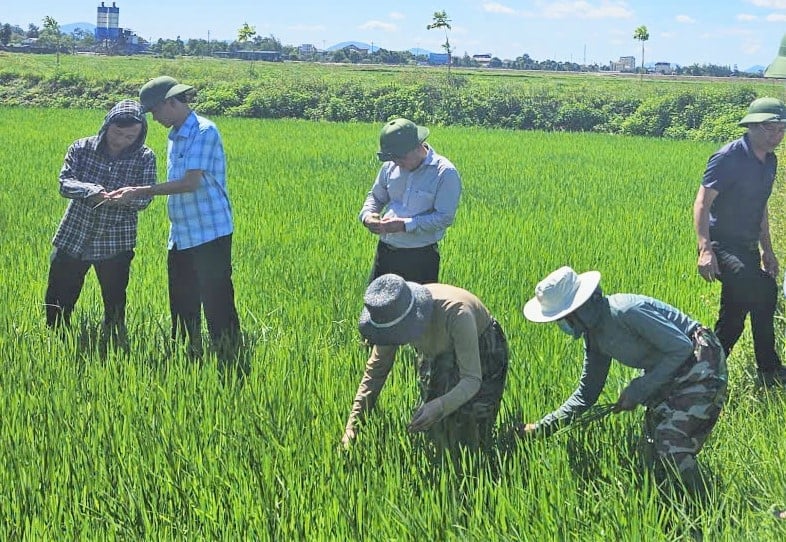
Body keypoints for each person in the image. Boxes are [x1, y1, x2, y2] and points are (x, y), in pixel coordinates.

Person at [518, 266, 727, 492]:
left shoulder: (626, 311)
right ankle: (670, 498)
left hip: (701, 362)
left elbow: (681, 348)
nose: (562, 325)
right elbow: (586, 395)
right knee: (649, 452)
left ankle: (707, 500)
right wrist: (541, 428)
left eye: (563, 318)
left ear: (578, 310)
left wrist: (639, 388)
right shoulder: (594, 336)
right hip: (670, 370)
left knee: (669, 442)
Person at [111, 76, 240, 361]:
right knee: (182, 299)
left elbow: (190, 183)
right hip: (181, 233)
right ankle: (187, 355)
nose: (154, 118)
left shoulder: (204, 131)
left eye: (155, 111)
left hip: (210, 231)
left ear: (171, 103)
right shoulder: (175, 134)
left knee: (217, 300)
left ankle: (229, 355)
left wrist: (141, 190)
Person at [341, 274, 508, 455]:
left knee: (474, 434)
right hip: (435, 350)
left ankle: (505, 440)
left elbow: (471, 379)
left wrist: (439, 406)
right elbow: (375, 372)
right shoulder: (391, 316)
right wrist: (352, 427)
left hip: (481, 346)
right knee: (436, 430)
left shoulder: (458, 314)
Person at [44, 99, 156, 348]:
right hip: (75, 233)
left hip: (116, 239)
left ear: (140, 135)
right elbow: (65, 183)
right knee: (59, 295)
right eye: (118, 132)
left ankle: (114, 342)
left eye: (130, 136)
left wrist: (127, 197)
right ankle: (55, 341)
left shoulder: (145, 157)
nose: (122, 140)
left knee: (114, 298)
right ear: (107, 125)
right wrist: (89, 190)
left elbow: (145, 199)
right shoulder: (81, 148)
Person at [693, 96, 786, 387]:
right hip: (722, 245)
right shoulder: (728, 157)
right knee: (762, 289)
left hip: (746, 247)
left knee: (734, 316)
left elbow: (760, 207)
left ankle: (704, 372)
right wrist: (705, 249)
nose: (777, 134)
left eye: (782, 128)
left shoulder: (770, 161)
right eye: (770, 128)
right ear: (752, 127)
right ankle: (767, 369)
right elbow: (701, 203)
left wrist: (766, 250)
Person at [359, 118, 461, 285]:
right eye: (392, 158)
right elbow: (376, 197)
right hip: (385, 253)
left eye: (400, 157)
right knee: (376, 308)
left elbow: (444, 217)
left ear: (417, 147)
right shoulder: (390, 166)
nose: (396, 163)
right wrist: (368, 216)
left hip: (420, 258)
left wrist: (405, 225)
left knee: (417, 309)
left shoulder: (444, 173)